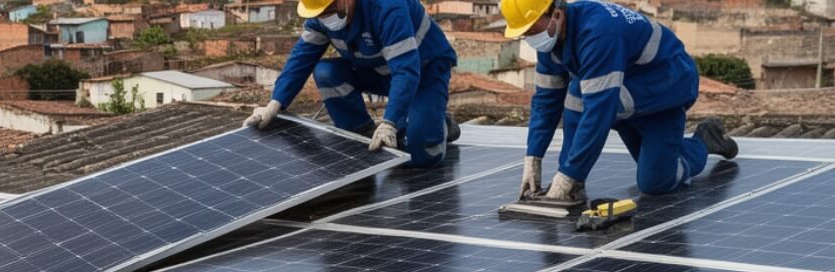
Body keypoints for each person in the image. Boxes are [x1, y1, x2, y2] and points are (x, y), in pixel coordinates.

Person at [502, 0, 739, 201]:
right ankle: (575, 183)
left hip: (666, 85)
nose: (530, 37)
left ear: (556, 12)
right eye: (525, 32)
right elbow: (545, 103)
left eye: (533, 29)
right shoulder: (550, 42)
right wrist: (533, 157)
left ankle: (705, 140)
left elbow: (598, 110)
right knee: (580, 95)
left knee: (656, 183)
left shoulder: (598, 32)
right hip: (628, 94)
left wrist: (569, 174)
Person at [244, 0, 459, 167]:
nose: (325, 18)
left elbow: (406, 69)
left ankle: (439, 123)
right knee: (326, 72)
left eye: (328, 10)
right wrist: (275, 103)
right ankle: (361, 134)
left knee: (423, 157)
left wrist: (389, 123)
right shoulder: (320, 17)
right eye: (320, 13)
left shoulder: (386, 7)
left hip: (424, 71)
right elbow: (301, 59)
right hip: (378, 72)